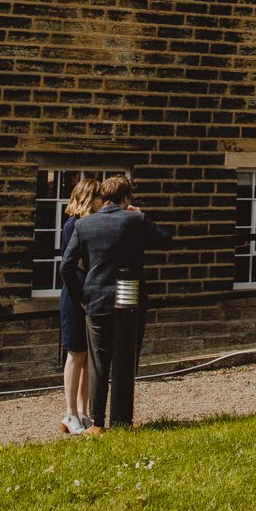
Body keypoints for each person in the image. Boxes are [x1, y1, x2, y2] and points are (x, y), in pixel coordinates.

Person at [61, 176, 173, 431]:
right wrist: (141, 214)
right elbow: (166, 241)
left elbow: (66, 267)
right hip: (129, 298)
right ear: (126, 198)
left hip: (96, 301)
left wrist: (82, 295)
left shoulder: (85, 224)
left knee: (98, 364)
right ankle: (122, 420)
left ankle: (97, 423)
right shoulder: (135, 220)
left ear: (104, 196)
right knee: (125, 361)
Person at [56, 177, 101, 434]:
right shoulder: (73, 225)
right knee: (75, 353)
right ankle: (70, 412)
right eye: (98, 198)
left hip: (88, 292)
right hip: (75, 294)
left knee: (87, 357)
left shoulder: (89, 223)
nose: (102, 203)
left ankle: (82, 411)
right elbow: (70, 266)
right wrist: (81, 296)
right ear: (87, 198)